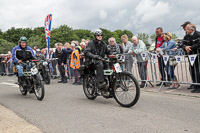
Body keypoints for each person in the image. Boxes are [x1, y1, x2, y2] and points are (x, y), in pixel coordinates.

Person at [181, 23, 200, 93]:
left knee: (198, 71)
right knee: (192, 71)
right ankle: (195, 85)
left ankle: (199, 86)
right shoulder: (186, 36)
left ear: (191, 30)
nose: (186, 30)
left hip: (197, 55)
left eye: (187, 29)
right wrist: (185, 47)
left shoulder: (198, 34)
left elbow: (199, 43)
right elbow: (182, 44)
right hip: (190, 56)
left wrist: (191, 48)